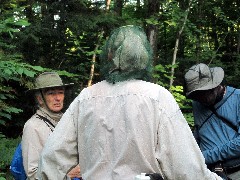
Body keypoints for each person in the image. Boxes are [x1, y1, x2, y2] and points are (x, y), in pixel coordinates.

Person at [37, 25, 222, 180]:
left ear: (109, 56)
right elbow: (186, 168)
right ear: (144, 57)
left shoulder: (86, 98)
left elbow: (52, 160)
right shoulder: (158, 97)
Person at [184, 63, 240, 180]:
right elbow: (200, 133)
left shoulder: (237, 98)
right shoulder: (197, 104)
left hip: (235, 171)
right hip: (207, 172)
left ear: (215, 85)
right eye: (195, 95)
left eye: (202, 94)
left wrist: (206, 156)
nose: (199, 99)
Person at [21, 72, 81, 179]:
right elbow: (33, 175)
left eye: (60, 92)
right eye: (51, 93)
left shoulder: (67, 119)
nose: (58, 98)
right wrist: (69, 176)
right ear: (40, 99)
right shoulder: (33, 127)